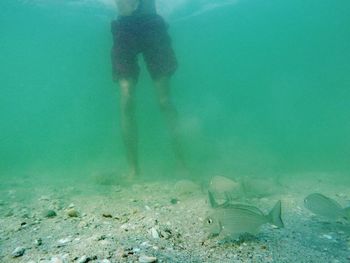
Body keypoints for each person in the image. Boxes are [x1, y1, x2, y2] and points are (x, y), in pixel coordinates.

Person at [111, 0, 185, 179]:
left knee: (164, 101)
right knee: (126, 99)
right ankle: (133, 169)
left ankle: (182, 163)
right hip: (124, 26)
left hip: (152, 25)